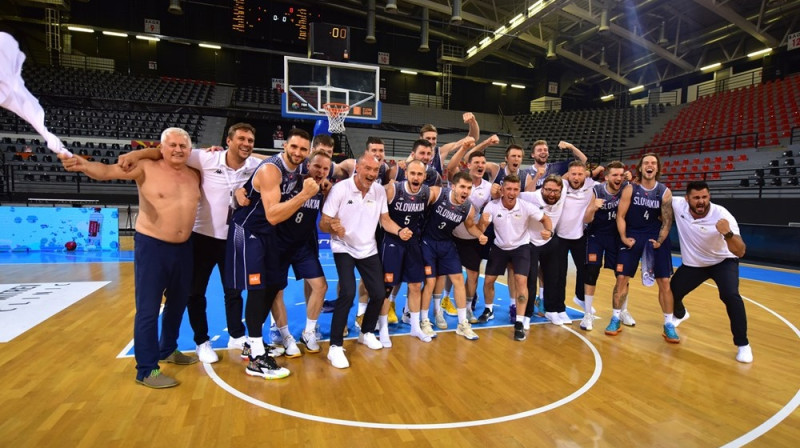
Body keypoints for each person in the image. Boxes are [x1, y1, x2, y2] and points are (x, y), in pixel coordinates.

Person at [59, 128, 201, 389]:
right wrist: (84, 165)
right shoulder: (145, 167)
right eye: (173, 145)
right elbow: (107, 172)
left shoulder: (195, 174)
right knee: (148, 309)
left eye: (183, 146)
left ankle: (168, 349)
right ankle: (147, 370)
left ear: (190, 150)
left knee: (178, 303)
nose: (178, 150)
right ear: (162, 147)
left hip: (184, 247)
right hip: (152, 246)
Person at [119, 123, 262, 364]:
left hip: (232, 238)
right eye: (241, 139)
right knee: (195, 293)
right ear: (228, 140)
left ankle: (236, 336)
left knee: (234, 291)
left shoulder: (254, 166)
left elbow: (276, 160)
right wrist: (136, 154)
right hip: (201, 237)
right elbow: (164, 151)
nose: (246, 143)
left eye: (250, 140)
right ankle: (201, 341)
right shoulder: (204, 158)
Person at [225, 128, 316, 379]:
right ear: (285, 146)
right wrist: (305, 194)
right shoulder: (270, 170)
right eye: (294, 147)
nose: (298, 153)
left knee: (274, 285)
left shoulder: (300, 166)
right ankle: (255, 358)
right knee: (257, 290)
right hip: (249, 231)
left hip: (268, 236)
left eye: (303, 149)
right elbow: (273, 214)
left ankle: (251, 344)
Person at [319, 153, 409, 369]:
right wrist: (333, 227)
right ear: (357, 168)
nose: (371, 174)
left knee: (379, 293)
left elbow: (384, 220)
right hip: (344, 247)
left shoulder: (378, 191)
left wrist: (399, 230)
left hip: (368, 248)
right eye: (367, 168)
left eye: (375, 170)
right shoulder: (340, 189)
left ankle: (366, 332)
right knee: (348, 292)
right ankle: (334, 347)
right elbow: (324, 223)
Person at [670, 181, 752, 363]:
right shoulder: (677, 204)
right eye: (696, 198)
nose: (701, 201)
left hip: (723, 261)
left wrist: (728, 234)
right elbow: (656, 192)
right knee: (671, 293)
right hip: (695, 263)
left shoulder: (722, 215)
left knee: (731, 295)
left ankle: (743, 344)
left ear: (709, 197)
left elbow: (740, 251)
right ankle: (681, 314)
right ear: (687, 199)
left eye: (705, 197)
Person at [607, 153, 680, 343]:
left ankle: (668, 324)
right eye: (646, 162)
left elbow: (667, 221)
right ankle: (616, 317)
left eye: (653, 163)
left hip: (655, 237)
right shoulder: (631, 189)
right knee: (622, 278)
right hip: (633, 235)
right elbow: (620, 216)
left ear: (657, 168)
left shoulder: (664, 192)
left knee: (664, 282)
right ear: (640, 168)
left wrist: (660, 240)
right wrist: (623, 237)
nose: (650, 165)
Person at [420, 171, 488, 340]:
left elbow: (470, 225)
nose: (466, 191)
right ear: (453, 186)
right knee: (430, 281)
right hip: (427, 241)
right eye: (462, 187)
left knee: (458, 279)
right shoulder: (437, 193)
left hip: (446, 243)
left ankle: (462, 323)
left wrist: (479, 234)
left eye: (469, 188)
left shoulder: (468, 207)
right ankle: (424, 320)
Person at [482, 175, 551, 341]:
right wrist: (482, 226)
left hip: (521, 247)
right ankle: (488, 309)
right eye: (509, 189)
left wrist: (549, 231)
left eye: (515, 189)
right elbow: (481, 228)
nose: (512, 192)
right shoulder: (492, 206)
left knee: (521, 282)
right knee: (488, 281)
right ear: (503, 190)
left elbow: (545, 219)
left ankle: (519, 323)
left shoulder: (526, 206)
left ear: (519, 190)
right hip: (499, 247)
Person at [381, 159, 432, 345]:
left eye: (420, 174)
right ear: (406, 174)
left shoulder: (427, 193)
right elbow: (383, 218)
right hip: (393, 242)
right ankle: (383, 328)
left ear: (424, 176)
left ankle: (415, 327)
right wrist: (399, 231)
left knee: (415, 285)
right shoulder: (393, 190)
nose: (416, 177)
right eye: (413, 173)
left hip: (413, 243)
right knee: (387, 287)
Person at [581, 161, 629, 331]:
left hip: (617, 237)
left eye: (621, 175)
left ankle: (623, 310)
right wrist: (593, 208)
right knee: (592, 272)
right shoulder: (597, 190)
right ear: (607, 176)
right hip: (597, 236)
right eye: (614, 175)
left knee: (622, 274)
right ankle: (587, 314)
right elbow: (586, 220)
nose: (618, 178)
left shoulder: (627, 188)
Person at [550, 160, 595, 326]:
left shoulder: (592, 186)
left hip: (579, 236)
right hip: (559, 236)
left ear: (585, 175)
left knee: (586, 269)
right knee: (559, 275)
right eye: (573, 174)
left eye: (580, 174)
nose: (576, 177)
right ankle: (559, 309)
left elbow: (612, 185)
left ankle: (580, 297)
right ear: (568, 175)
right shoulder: (561, 185)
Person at [519, 175, 565, 330]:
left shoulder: (562, 194)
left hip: (550, 240)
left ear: (561, 191)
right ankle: (527, 314)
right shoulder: (529, 197)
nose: (552, 194)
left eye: (556, 191)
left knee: (553, 277)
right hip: (530, 242)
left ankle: (551, 310)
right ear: (542, 188)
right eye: (548, 190)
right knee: (531, 280)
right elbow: (509, 194)